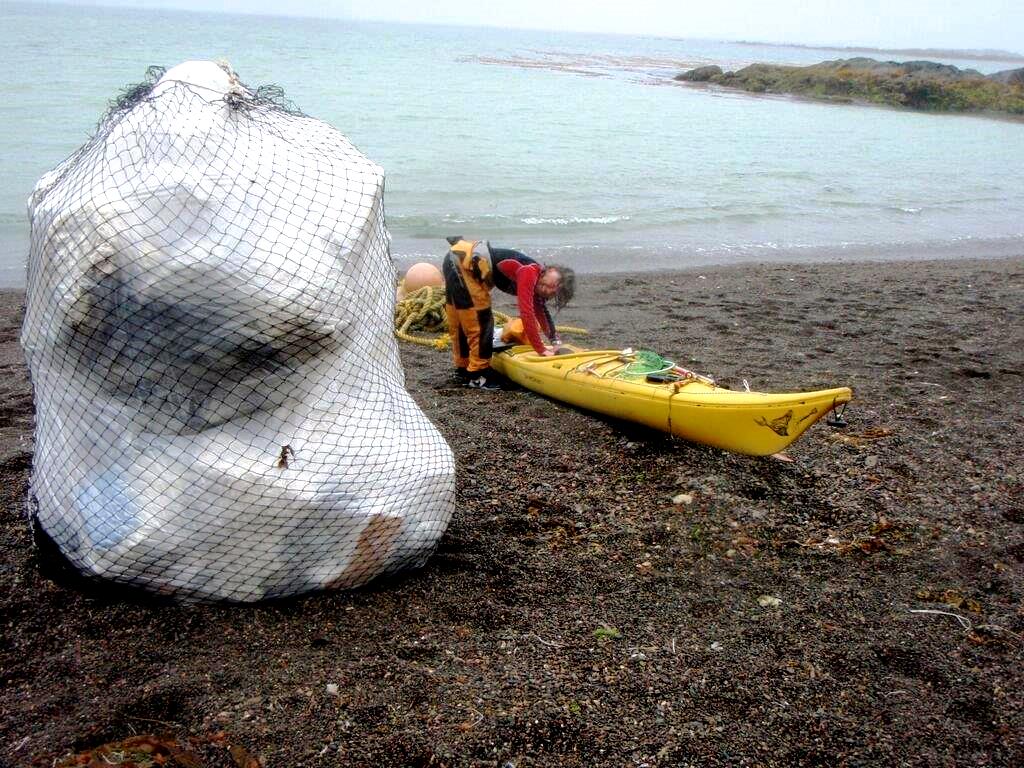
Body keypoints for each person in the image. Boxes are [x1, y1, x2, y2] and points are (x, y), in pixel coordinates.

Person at [442, 236, 575, 390]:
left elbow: (541, 312)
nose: (549, 288)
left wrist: (554, 341)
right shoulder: (530, 271)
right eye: (554, 282)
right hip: (464, 263)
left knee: (459, 320)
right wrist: (541, 349)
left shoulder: (538, 284)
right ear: (550, 269)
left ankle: (463, 368)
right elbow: (527, 314)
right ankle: (478, 374)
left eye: (555, 291)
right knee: (480, 320)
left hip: (455, 258)